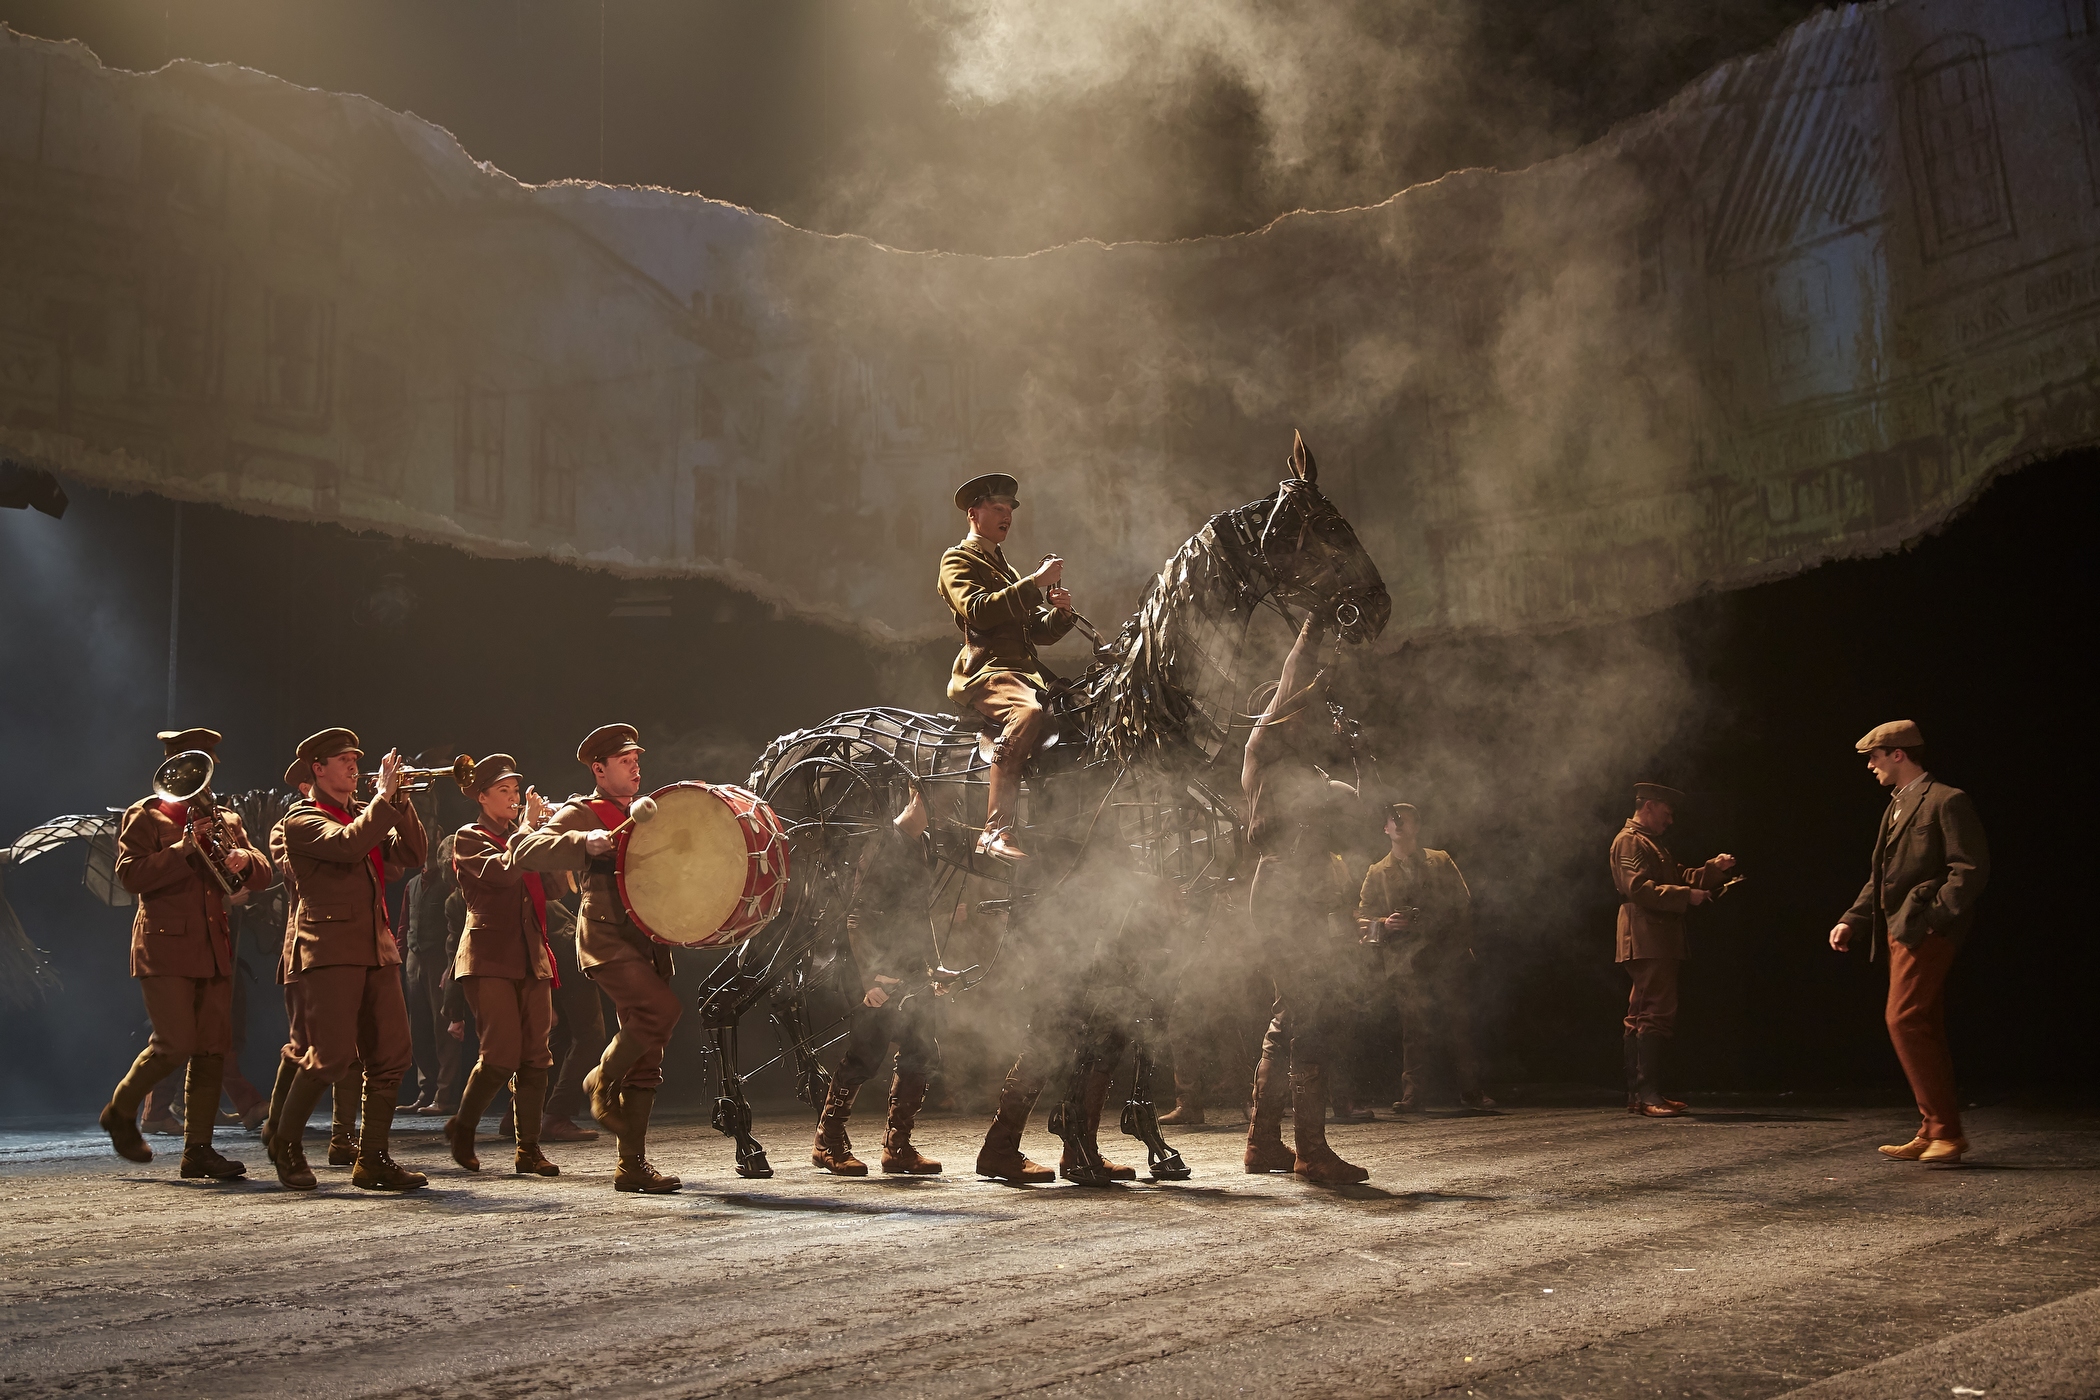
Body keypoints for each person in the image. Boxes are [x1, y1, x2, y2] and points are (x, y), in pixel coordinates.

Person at [511, 724, 682, 1193]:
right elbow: (524, 851)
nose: (635, 765)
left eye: (636, 759)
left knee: (648, 1054)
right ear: (599, 769)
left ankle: (631, 1166)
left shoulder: (647, 813)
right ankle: (599, 1079)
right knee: (664, 1011)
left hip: (648, 940)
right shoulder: (582, 811)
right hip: (606, 939)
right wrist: (582, 843)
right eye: (624, 760)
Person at [99, 727, 272, 1179]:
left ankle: (198, 1151)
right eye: (186, 761)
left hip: (214, 946)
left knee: (213, 1049)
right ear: (169, 763)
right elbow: (131, 876)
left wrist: (245, 862)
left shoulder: (227, 819)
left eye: (204, 763)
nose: (197, 774)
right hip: (164, 945)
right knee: (174, 1044)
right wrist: (183, 848)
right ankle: (120, 1111)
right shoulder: (147, 815)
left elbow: (263, 875)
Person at [267, 729, 429, 1191]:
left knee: (393, 1055)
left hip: (376, 947)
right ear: (318, 769)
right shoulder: (301, 819)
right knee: (331, 1057)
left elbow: (413, 854)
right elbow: (347, 845)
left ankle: (373, 1158)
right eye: (343, 759)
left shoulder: (366, 812)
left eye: (356, 758)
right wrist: (383, 800)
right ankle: (287, 1145)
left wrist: (401, 800)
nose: (354, 766)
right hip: (330, 947)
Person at [1239, 615, 1370, 1185]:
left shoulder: (1304, 772)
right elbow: (1295, 678)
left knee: (1288, 1019)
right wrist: (1314, 625)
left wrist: (1354, 757)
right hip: (1287, 893)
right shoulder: (1265, 751)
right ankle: (1309, 1150)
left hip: (1298, 893)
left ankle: (1263, 1142)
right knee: (1308, 1018)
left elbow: (1354, 808)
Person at [1827, 721, 1989, 1164]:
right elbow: (1881, 877)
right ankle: (1935, 1129)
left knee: (1903, 1019)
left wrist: (1935, 917)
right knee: (1923, 1026)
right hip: (1900, 929)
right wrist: (1853, 919)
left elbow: (1969, 870)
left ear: (1899, 754)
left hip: (1926, 928)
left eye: (1875, 756)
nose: (1871, 765)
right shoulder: (1896, 806)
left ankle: (1947, 1133)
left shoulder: (1945, 800)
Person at [938, 473, 1076, 861]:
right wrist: (1033, 584)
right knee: (1027, 712)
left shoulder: (1007, 571)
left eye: (1009, 509)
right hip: (988, 674)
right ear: (973, 513)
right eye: (997, 508)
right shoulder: (957, 559)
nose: (1006, 515)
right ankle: (995, 830)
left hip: (1024, 673)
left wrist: (1061, 614)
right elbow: (979, 612)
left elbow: (1035, 633)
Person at [812, 783, 943, 1176]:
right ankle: (827, 1142)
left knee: (921, 1051)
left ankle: (897, 1147)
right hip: (880, 969)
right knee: (866, 1054)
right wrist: (871, 977)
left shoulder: (924, 844)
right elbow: (858, 917)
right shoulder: (885, 842)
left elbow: (920, 916)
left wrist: (933, 966)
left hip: (910, 967)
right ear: (916, 793)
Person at [443, 755, 563, 1176]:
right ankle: (463, 1125)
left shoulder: (523, 836)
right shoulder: (468, 837)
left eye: (516, 791)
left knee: (536, 1056)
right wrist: (531, 831)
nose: (513, 799)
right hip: (489, 956)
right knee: (499, 1055)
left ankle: (527, 1148)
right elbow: (503, 873)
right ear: (482, 798)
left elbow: (555, 888)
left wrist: (553, 835)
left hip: (531, 955)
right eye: (504, 792)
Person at [1611, 783, 1736, 1118]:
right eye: (1666, 814)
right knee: (1651, 1012)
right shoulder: (1630, 841)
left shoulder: (1650, 843)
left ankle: (1642, 1095)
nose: (1670, 821)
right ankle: (1646, 1094)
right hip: (1645, 936)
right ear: (1649, 806)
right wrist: (1685, 896)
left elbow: (1677, 875)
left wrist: (1711, 870)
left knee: (1647, 1012)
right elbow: (1639, 888)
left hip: (1656, 937)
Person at [1358, 802, 1489, 1112]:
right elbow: (1362, 917)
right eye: (1394, 819)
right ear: (1386, 828)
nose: (1400, 823)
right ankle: (1413, 1096)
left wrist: (1434, 925)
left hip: (1445, 955)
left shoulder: (1440, 861)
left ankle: (1472, 1092)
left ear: (1416, 826)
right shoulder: (1378, 871)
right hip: (1405, 961)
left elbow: (1462, 903)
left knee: (1459, 1025)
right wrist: (1384, 924)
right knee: (1413, 1029)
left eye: (1406, 819)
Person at [403, 836, 463, 1115]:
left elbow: (456, 929)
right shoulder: (412, 884)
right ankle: (426, 1090)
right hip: (415, 961)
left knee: (443, 1029)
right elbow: (405, 924)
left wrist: (449, 968)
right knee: (419, 1029)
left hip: (439, 957)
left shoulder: (449, 883)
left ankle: (445, 1093)